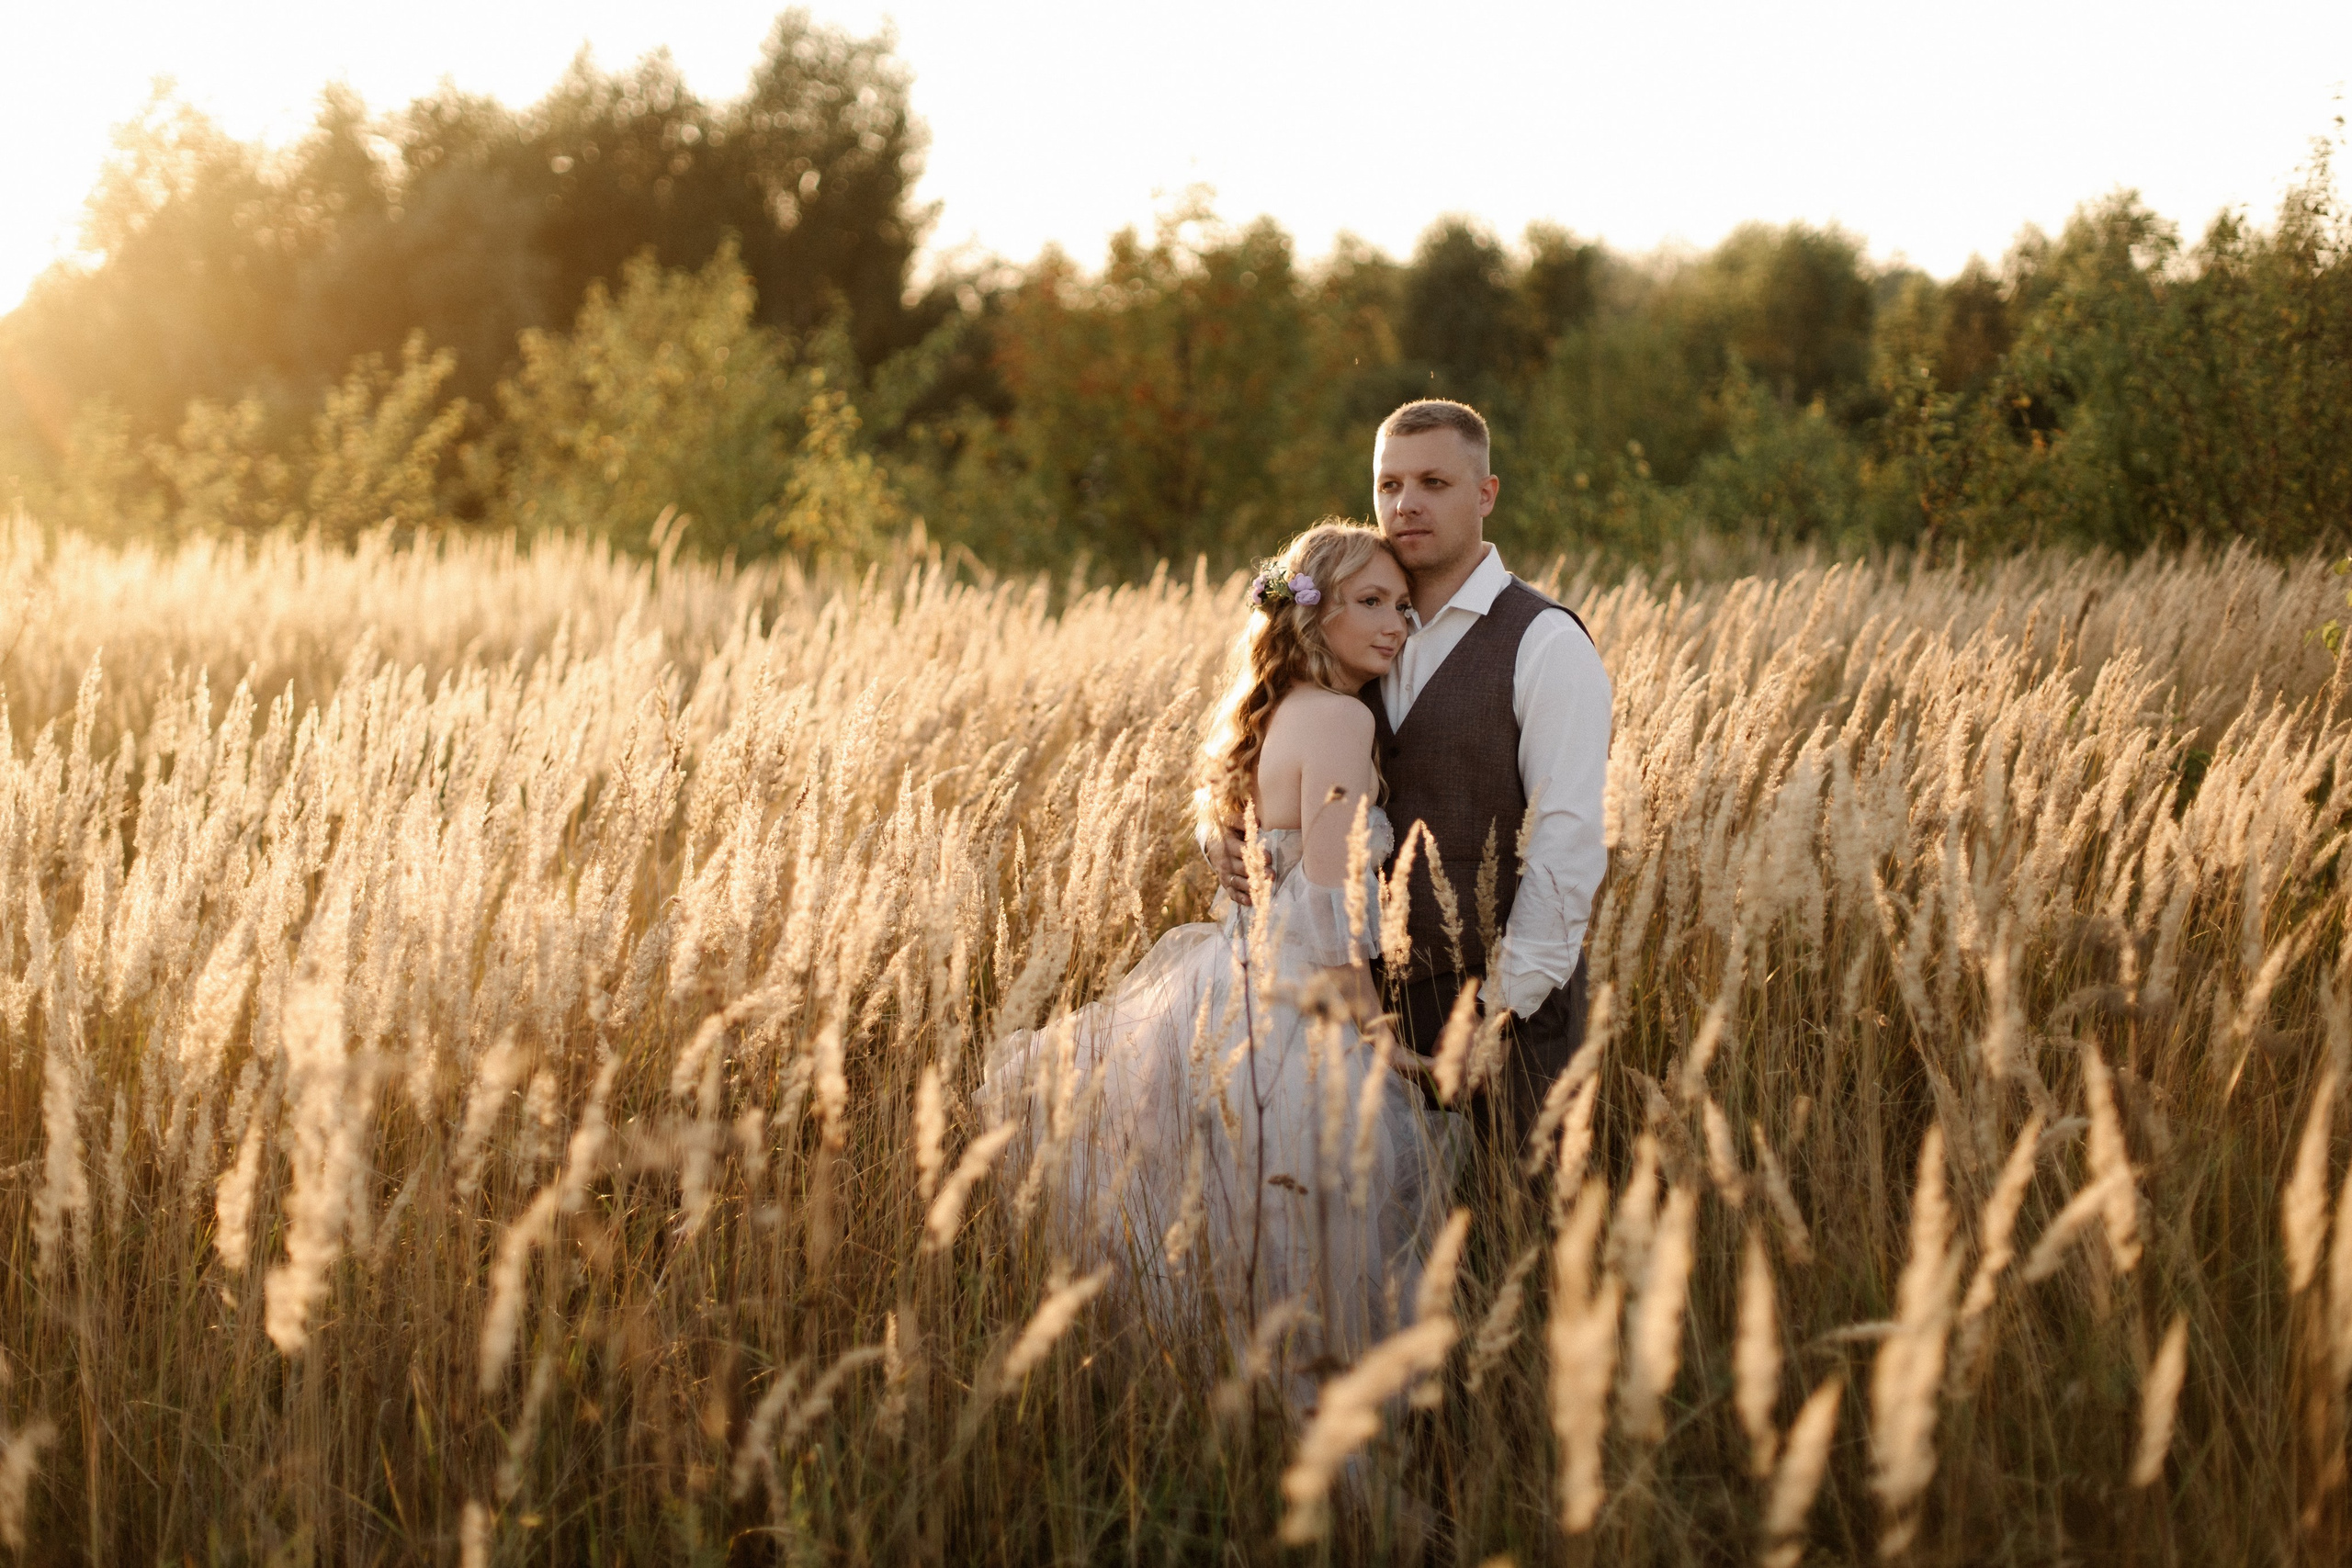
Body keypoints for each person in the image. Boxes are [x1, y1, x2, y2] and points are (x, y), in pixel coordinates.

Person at [986, 520, 1447, 1375]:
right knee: (1323, 1261)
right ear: (1316, 615)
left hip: (1224, 991)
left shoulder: (1276, 710)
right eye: (1371, 602)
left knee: (1239, 1241)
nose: (1395, 623)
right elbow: (1331, 903)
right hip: (1297, 1011)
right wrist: (1380, 1036)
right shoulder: (1342, 718)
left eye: (1402, 606)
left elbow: (1250, 841)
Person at [1207, 400, 1611, 1152]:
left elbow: (1568, 851)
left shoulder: (1546, 643)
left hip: (1501, 1011)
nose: (1405, 504)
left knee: (1516, 1216)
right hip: (1356, 1011)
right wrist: (1224, 840)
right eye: (1389, 484)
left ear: (1485, 494)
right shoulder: (1349, 632)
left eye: (1433, 482)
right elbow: (1263, 757)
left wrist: (1495, 1014)